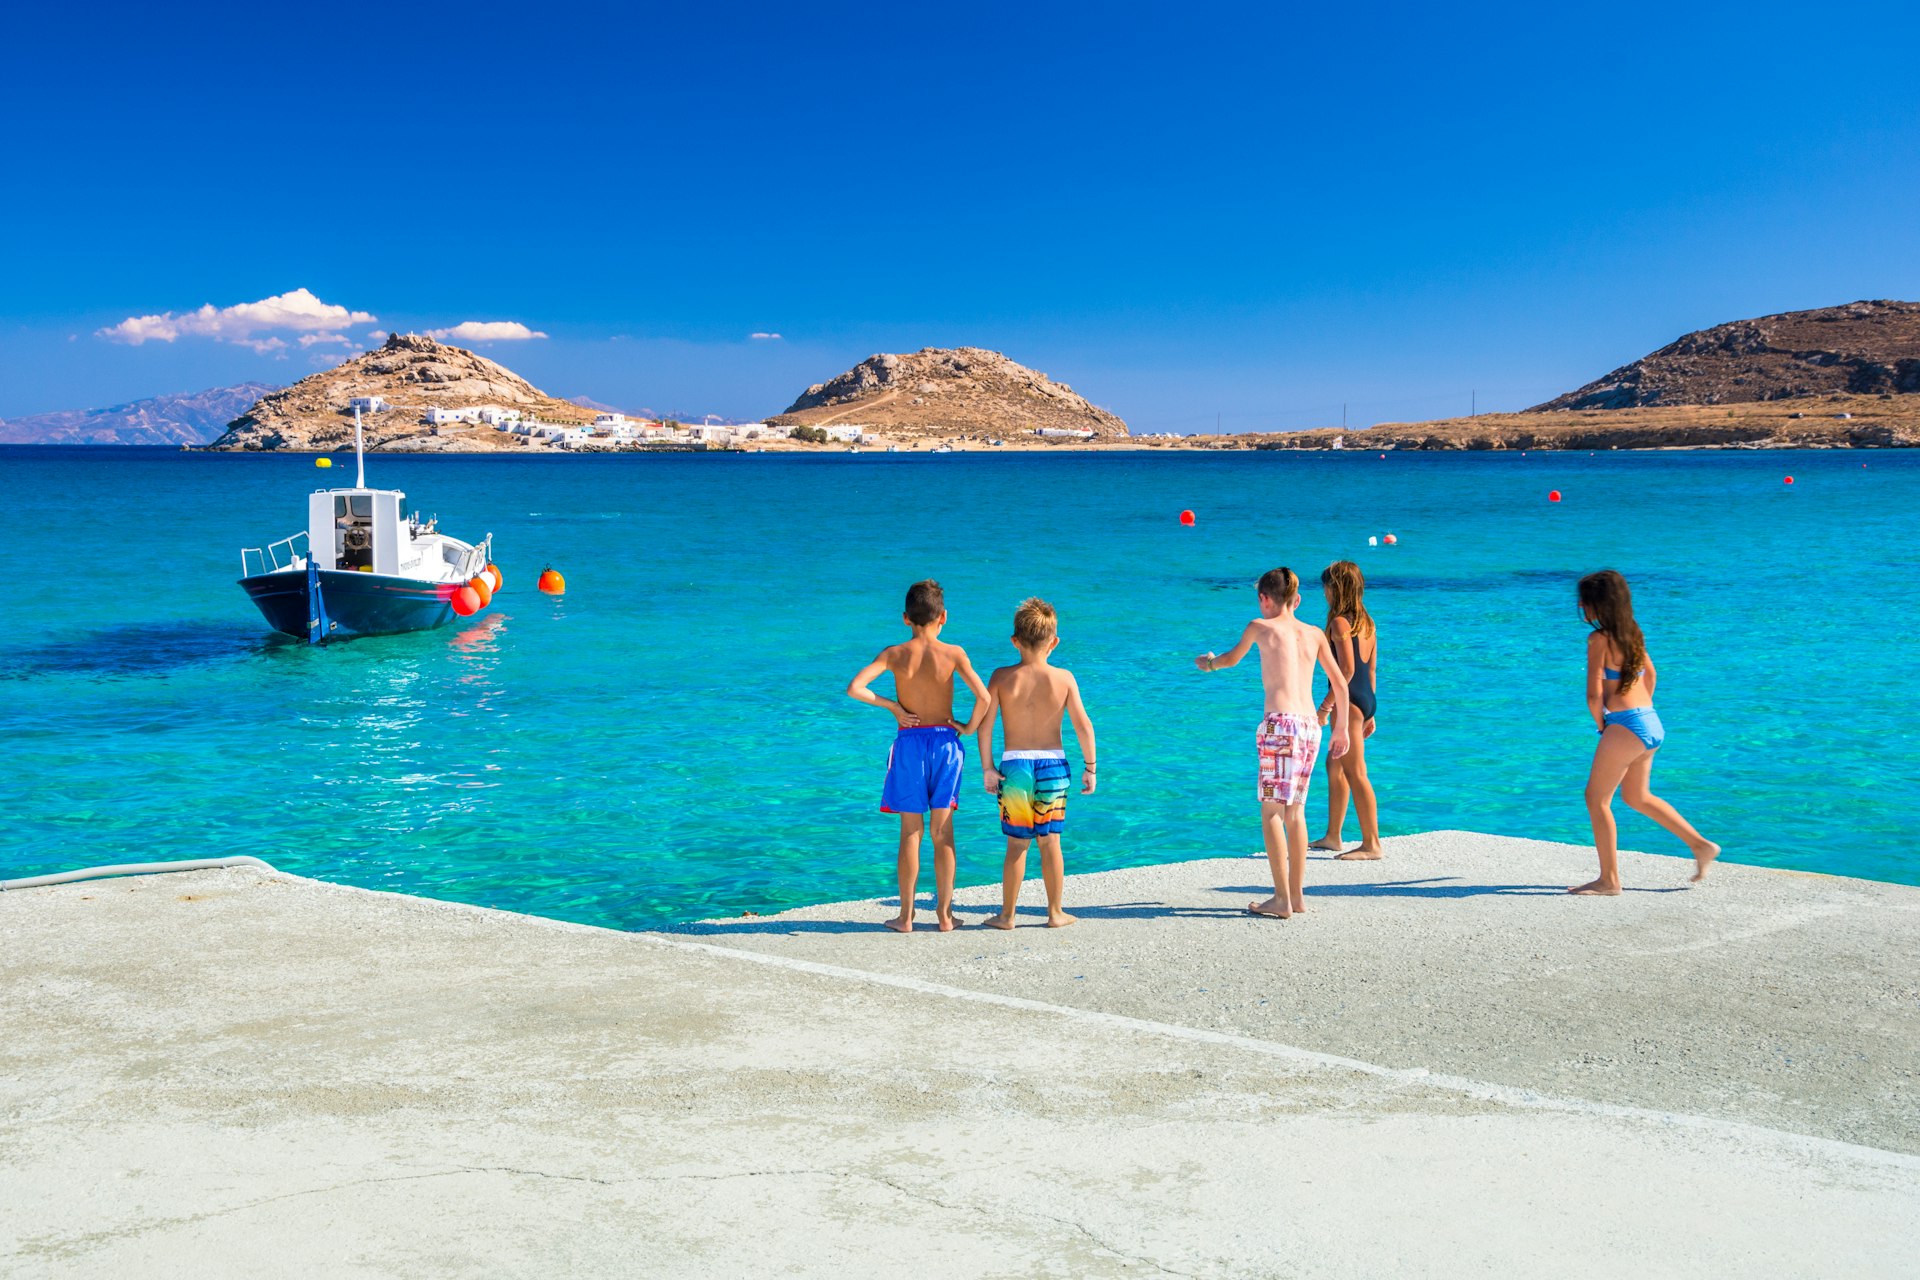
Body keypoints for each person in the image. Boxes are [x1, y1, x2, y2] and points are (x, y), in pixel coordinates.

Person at [1195, 567, 1351, 919]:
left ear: (1265, 599)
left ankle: (1281, 899)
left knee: (1271, 814)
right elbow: (1340, 684)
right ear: (1295, 599)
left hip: (1280, 727)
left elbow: (1230, 660)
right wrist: (1340, 730)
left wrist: (1208, 664)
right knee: (1295, 812)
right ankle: (1296, 897)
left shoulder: (1259, 626)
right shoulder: (1313, 633)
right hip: (1311, 726)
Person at [846, 579, 991, 932]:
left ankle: (906, 916)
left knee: (911, 832)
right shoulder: (954, 653)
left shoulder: (894, 654)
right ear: (943, 617)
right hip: (945, 742)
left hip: (910, 743)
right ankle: (944, 916)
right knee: (943, 833)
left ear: (905, 618)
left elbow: (855, 688)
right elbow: (984, 699)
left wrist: (893, 707)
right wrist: (968, 729)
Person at [1573, 569, 1720, 895]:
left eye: (1584, 601)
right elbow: (1651, 676)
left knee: (1596, 800)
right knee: (1636, 796)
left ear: (1598, 604)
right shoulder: (1633, 633)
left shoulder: (1599, 639)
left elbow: (1594, 695)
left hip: (1626, 726)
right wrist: (1640, 715)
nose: (1581, 606)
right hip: (1650, 722)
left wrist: (1604, 725)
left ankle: (1609, 880)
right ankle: (1700, 845)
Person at [975, 598, 1097, 929]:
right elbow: (1084, 726)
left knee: (1017, 844)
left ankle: (1008, 915)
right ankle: (1055, 912)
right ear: (1054, 642)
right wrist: (1091, 767)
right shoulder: (1064, 678)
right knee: (1050, 841)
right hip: (1053, 767)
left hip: (1014, 767)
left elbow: (985, 727)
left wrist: (987, 767)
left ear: (1015, 641)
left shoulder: (1000, 677)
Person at [1309, 561, 1384, 859]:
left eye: (1326, 586)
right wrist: (1371, 712)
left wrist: (1326, 707)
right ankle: (1333, 836)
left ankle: (1371, 844)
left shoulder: (1340, 622)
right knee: (1334, 765)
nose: (1324, 592)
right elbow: (1372, 669)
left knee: (1356, 772)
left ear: (1336, 588)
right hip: (1364, 700)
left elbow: (1347, 670)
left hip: (1348, 701)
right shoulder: (1366, 621)